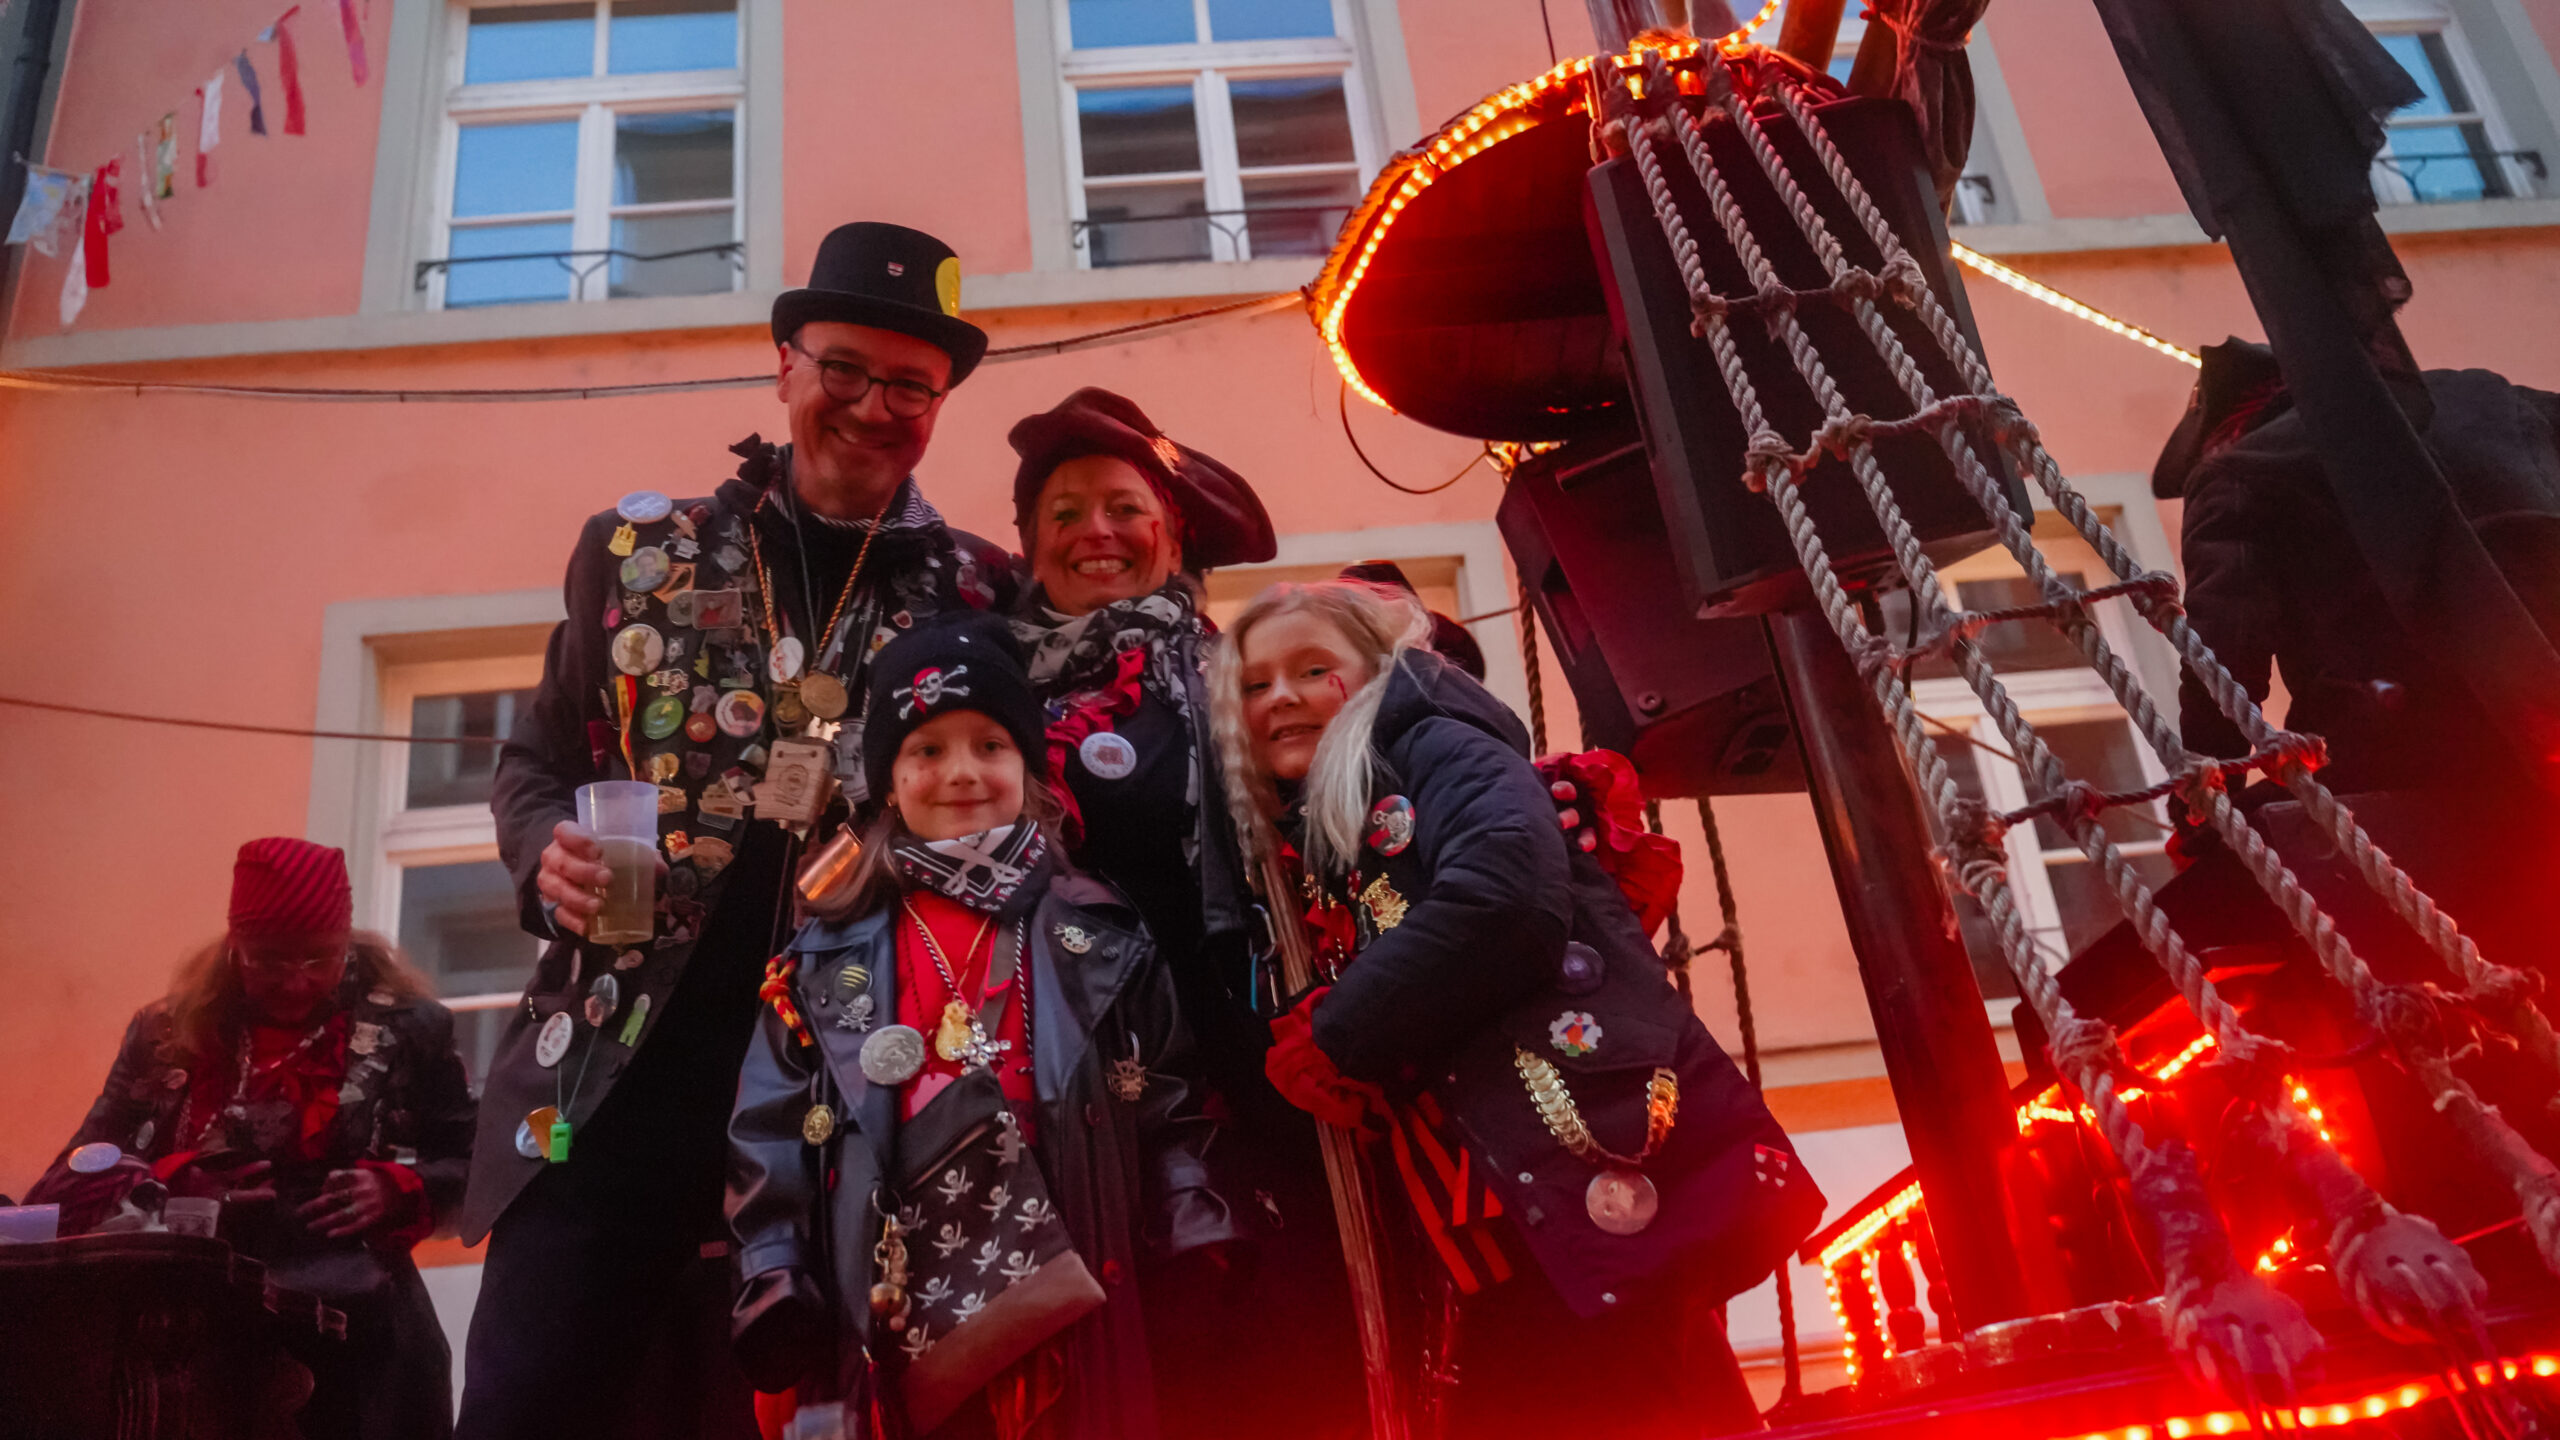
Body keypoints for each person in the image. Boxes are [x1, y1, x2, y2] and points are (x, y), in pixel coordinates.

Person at [459, 222, 1019, 1440]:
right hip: (617, 1075)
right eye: (844, 369)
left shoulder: (979, 592)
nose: (872, 407)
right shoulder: (635, 555)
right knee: (529, 1407)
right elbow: (537, 761)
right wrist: (543, 853)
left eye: (911, 387)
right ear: (783, 364)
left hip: (857, 1094)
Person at [1208, 580, 1826, 1437]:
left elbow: (1504, 898)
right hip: (1501, 1222)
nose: (1281, 695)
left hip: (1555, 1180)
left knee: (1631, 1398)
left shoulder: (1439, 745)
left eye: (1314, 669)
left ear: (1381, 672)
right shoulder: (1325, 837)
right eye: (1254, 683)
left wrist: (1336, 1031)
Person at [728, 613, 1235, 1440]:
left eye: (990, 745)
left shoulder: (1106, 931)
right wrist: (774, 1279)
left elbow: (1171, 1100)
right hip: (891, 1319)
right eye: (927, 750)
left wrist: (1193, 1226)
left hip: (1080, 1303)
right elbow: (768, 1133)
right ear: (889, 782)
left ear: (1028, 769)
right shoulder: (818, 957)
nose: (961, 772)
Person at [1000, 389, 1369, 1437]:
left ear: (1171, 532)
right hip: (1086, 1098)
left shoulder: (1242, 675)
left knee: (1301, 1360)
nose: (1097, 531)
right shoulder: (992, 703)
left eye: (1123, 506)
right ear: (1028, 544)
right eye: (1065, 512)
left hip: (1264, 1074)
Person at [29, 837, 475, 1440]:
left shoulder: (412, 1029)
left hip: (363, 1338)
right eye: (269, 960)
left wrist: (400, 1190)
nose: (296, 982)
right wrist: (166, 1185)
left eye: (318, 959)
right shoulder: (163, 1033)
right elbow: (71, 1179)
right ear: (234, 944)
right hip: (189, 1343)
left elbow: (475, 1163)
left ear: (345, 941)